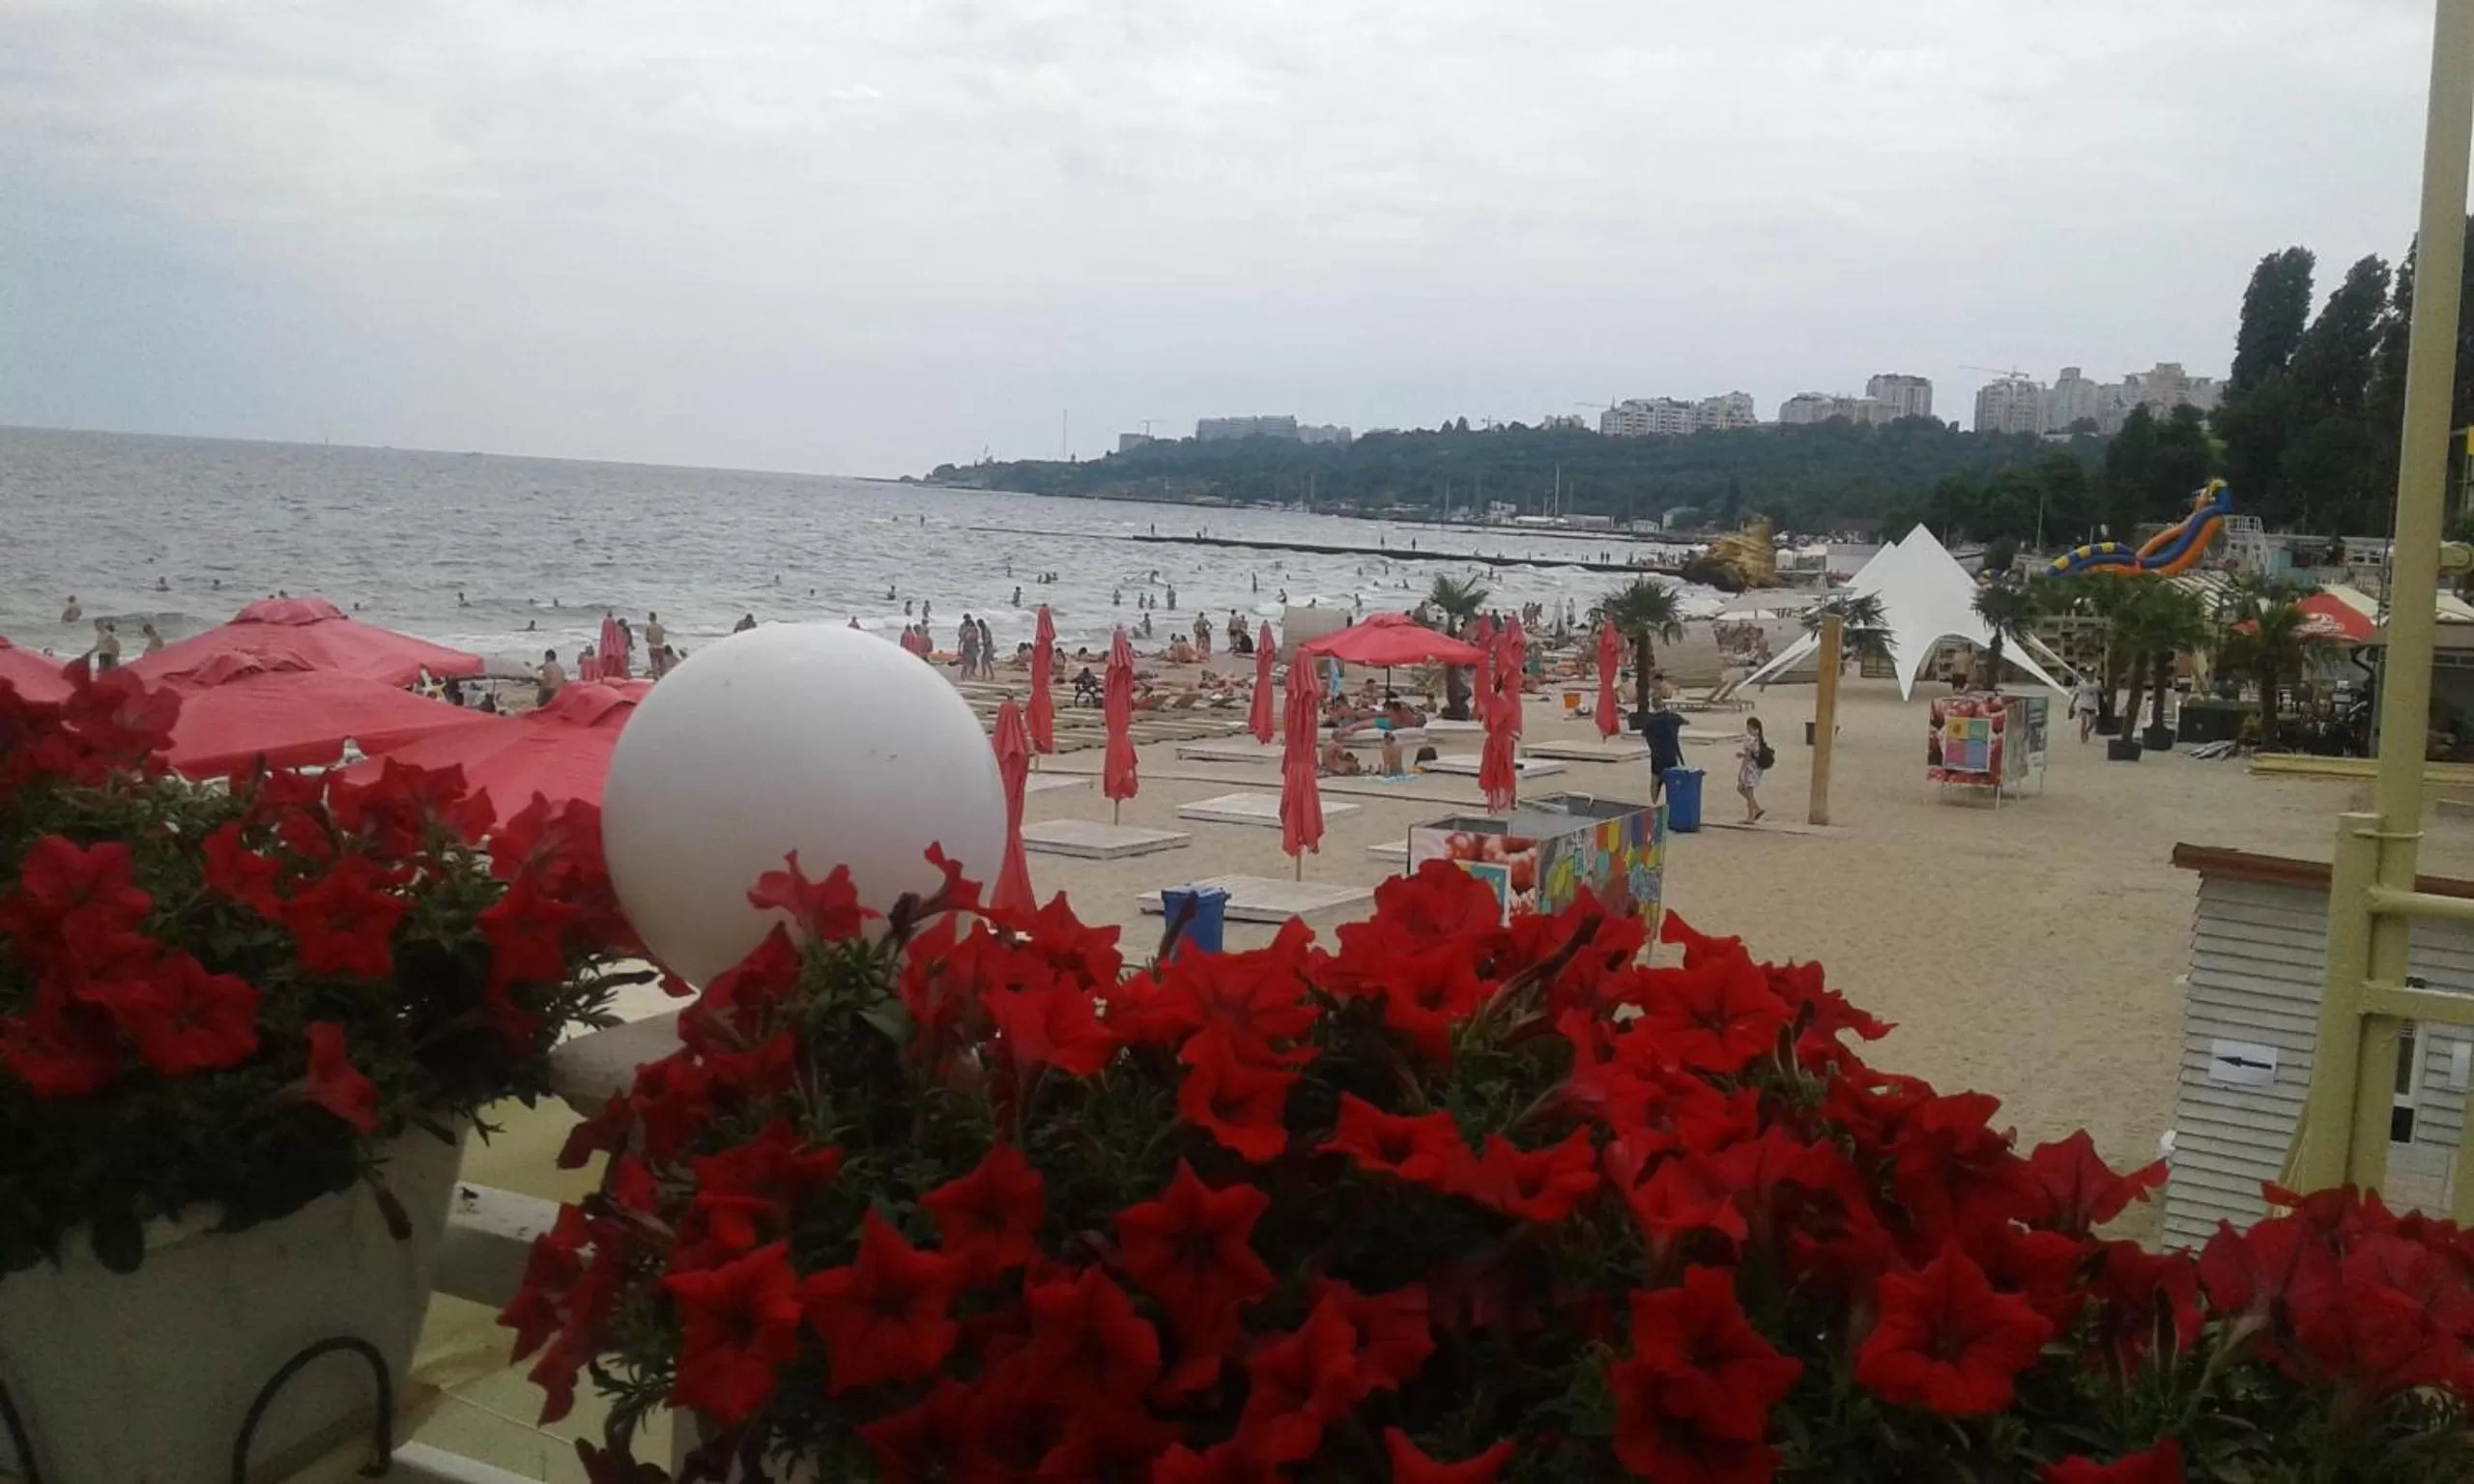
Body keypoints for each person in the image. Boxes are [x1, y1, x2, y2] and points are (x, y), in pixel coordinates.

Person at [1639, 694, 1686, 802]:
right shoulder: (1673, 717)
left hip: (1656, 754)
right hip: (1671, 754)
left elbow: (1644, 734)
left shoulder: (1650, 721)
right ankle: (1671, 803)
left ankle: (1654, 803)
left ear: (1652, 705)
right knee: (1671, 780)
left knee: (1655, 780)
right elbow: (1685, 721)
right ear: (1663, 704)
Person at [1736, 717, 1770, 824]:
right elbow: (1753, 754)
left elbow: (1748, 757)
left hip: (1750, 768)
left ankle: (1751, 816)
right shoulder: (1758, 738)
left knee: (1747, 790)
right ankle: (1756, 809)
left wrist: (1741, 771)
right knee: (1742, 789)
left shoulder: (1750, 739)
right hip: (1757, 767)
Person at [2072, 677, 2102, 742]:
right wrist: (2073, 703)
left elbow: (2101, 692)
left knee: (2092, 723)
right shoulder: (2081, 683)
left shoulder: (2098, 683)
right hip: (2083, 705)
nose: (2090, 675)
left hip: (2093, 706)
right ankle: (2082, 737)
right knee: (2084, 721)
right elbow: (2077, 694)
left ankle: (2086, 732)